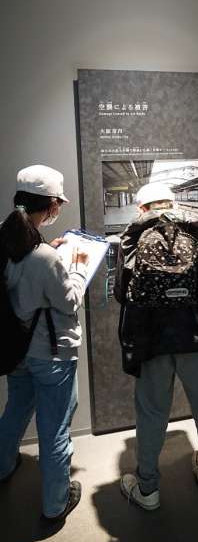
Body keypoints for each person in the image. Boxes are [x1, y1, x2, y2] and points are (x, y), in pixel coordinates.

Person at [115, 182, 198, 511]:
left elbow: (122, 292)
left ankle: (148, 488)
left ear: (142, 208)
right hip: (194, 333)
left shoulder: (134, 233)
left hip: (151, 339)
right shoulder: (196, 228)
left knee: (152, 412)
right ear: (172, 202)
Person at [0, 165, 88, 521]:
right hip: (50, 354)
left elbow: (21, 274)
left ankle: (3, 466)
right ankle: (55, 503)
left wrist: (48, 251)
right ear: (51, 205)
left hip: (14, 348)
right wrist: (78, 268)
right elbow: (68, 302)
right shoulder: (45, 258)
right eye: (59, 204)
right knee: (55, 429)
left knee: (15, 411)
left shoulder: (6, 240)